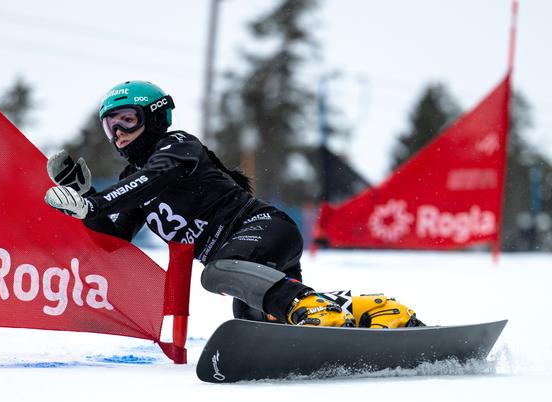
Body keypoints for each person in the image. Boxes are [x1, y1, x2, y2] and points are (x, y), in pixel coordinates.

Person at [44, 80, 424, 328]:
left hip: (264, 230)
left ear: (155, 118)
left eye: (128, 120)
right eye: (111, 126)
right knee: (254, 320)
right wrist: (87, 198)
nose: (120, 134)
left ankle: (313, 308)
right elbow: (114, 235)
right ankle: (371, 309)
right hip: (250, 261)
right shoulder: (132, 183)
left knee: (217, 273)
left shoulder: (178, 145)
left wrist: (95, 205)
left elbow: (155, 177)